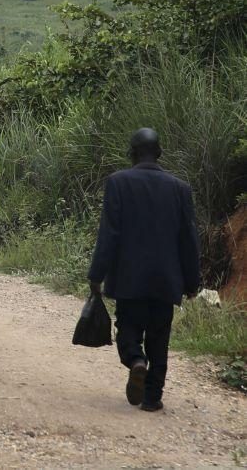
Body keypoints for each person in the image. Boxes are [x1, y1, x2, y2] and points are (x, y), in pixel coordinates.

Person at [88, 128, 201, 412]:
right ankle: (152, 397)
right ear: (159, 153)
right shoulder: (180, 189)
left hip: (129, 277)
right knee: (160, 337)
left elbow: (109, 234)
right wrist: (192, 281)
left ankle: (136, 360)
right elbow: (188, 240)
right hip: (166, 280)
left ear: (132, 154)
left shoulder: (118, 183)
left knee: (128, 326)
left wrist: (96, 275)